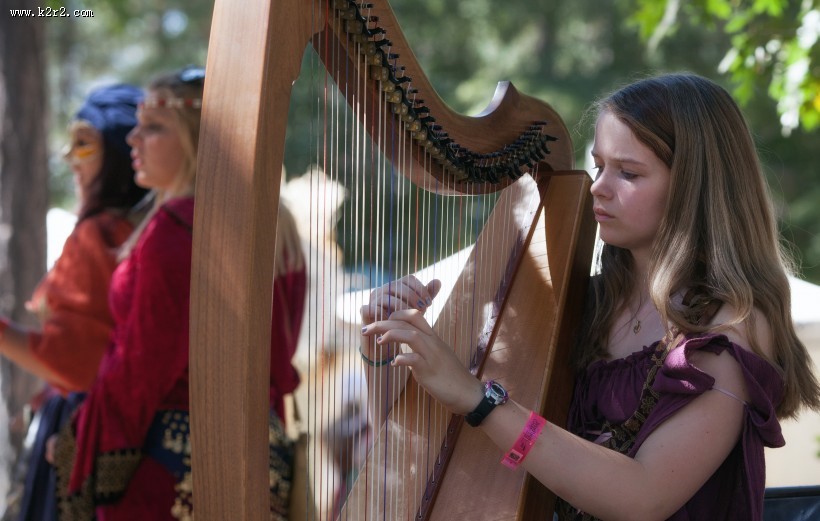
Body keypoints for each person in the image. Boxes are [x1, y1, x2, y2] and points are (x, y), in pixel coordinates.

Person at [360, 72, 820, 520]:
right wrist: (390, 348)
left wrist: (479, 397)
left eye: (629, 173)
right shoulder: (582, 306)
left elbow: (644, 495)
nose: (598, 185)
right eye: (600, 165)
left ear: (692, 189)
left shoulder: (731, 326)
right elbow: (425, 442)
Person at [51, 66, 307, 521]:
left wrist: (83, 445)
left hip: (170, 471)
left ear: (197, 138)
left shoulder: (175, 231)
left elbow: (139, 370)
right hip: (260, 459)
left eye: (153, 128)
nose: (133, 140)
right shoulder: (276, 226)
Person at [0, 83, 147, 521]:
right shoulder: (146, 231)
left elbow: (73, 364)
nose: (69, 159)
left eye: (84, 144)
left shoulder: (98, 235)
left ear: (121, 150)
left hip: (86, 434)